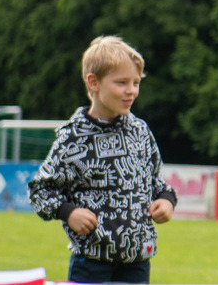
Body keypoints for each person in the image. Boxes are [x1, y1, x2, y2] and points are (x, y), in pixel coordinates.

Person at [28, 36, 177, 284]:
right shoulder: (73, 138)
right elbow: (40, 190)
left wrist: (166, 200)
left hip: (137, 262)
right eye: (121, 82)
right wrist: (69, 212)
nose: (131, 90)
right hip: (91, 263)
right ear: (93, 82)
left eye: (136, 83)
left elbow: (155, 182)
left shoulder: (140, 131)